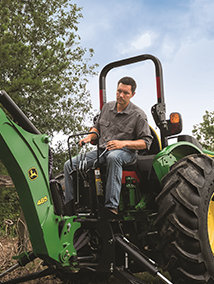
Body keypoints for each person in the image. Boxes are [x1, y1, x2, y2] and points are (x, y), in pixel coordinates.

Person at [64, 76, 152, 215]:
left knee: (113, 157)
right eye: (119, 91)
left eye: (125, 93)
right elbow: (96, 128)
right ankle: (69, 206)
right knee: (70, 164)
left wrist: (122, 143)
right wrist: (89, 137)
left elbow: (145, 143)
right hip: (102, 151)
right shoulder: (107, 108)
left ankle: (111, 207)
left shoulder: (138, 115)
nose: (121, 95)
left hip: (126, 153)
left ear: (132, 95)